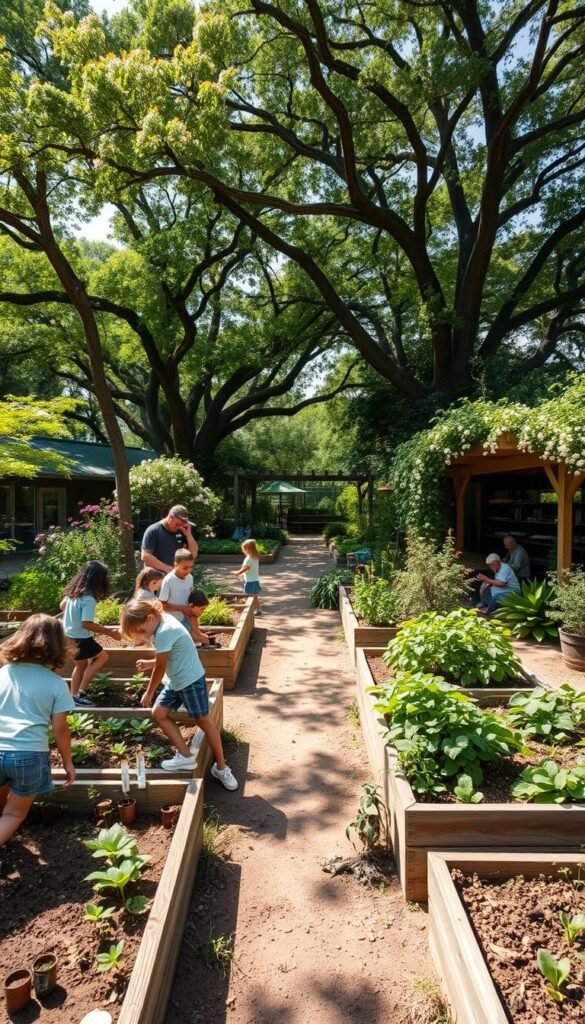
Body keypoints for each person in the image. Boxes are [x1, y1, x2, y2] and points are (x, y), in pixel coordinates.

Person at [120, 598, 237, 788]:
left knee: (204, 722)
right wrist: (151, 663)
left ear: (150, 618)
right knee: (159, 713)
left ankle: (221, 768)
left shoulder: (164, 631)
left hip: (190, 681)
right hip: (176, 680)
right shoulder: (162, 621)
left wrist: (149, 692)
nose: (142, 637)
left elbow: (161, 667)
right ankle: (186, 756)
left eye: (141, 631)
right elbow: (171, 654)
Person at [0, 614, 76, 848]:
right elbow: (60, 729)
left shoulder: (3, 674)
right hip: (28, 754)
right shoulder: (55, 683)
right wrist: (68, 763)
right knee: (13, 815)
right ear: (57, 645)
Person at [61, 561, 122, 706]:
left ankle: (74, 695)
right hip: (80, 637)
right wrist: (110, 632)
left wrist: (71, 615)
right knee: (102, 657)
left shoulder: (73, 593)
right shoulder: (88, 599)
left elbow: (62, 606)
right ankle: (80, 692)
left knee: (81, 665)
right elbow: (86, 623)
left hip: (68, 635)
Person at [140, 504, 198, 574]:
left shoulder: (182, 531)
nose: (179, 527)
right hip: (155, 578)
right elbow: (145, 556)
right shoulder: (153, 530)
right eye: (177, 524)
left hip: (174, 576)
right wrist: (168, 569)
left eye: (181, 524)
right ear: (170, 517)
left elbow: (193, 554)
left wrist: (188, 535)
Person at [159, 549, 195, 631]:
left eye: (191, 567)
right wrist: (182, 608)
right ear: (175, 565)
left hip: (185, 619)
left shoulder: (190, 578)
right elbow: (162, 606)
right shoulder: (168, 580)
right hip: (170, 622)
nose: (189, 570)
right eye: (185, 568)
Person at [233, 538, 262, 615]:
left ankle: (249, 611)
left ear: (248, 549)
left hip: (250, 581)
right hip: (255, 580)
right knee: (254, 596)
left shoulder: (248, 558)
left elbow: (246, 568)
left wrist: (237, 573)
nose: (243, 551)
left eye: (244, 549)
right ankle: (257, 610)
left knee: (248, 596)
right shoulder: (255, 556)